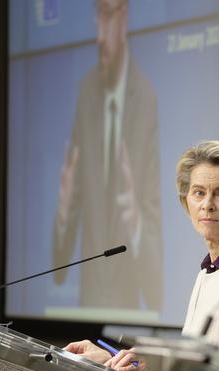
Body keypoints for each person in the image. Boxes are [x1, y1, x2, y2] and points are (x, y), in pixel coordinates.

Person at [66, 141, 219, 371]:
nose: (207, 205)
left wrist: (157, 364)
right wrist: (110, 361)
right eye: (199, 193)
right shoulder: (210, 270)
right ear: (186, 200)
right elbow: (193, 369)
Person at [52, 0, 163, 309]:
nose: (99, 34)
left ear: (123, 17)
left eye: (106, 15)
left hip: (129, 319)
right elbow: (59, 266)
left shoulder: (146, 97)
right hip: (83, 309)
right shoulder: (86, 92)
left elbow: (156, 289)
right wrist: (62, 215)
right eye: (96, 16)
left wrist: (134, 221)